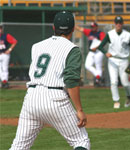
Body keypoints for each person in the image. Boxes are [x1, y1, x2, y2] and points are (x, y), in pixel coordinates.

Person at [9, 11, 90, 150]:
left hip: (31, 97)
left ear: (53, 27)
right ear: (72, 28)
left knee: (19, 146)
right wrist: (79, 109)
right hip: (55, 99)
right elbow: (71, 80)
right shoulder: (72, 49)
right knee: (81, 142)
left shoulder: (37, 46)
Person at [92, 16, 130, 109]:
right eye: (117, 23)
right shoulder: (110, 34)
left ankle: (129, 96)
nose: (118, 24)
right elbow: (100, 46)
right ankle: (116, 101)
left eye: (120, 23)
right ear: (114, 24)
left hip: (124, 60)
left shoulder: (127, 35)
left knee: (125, 83)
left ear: (122, 24)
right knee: (113, 82)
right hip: (112, 60)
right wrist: (105, 53)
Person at [75, 21, 105, 86]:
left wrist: (96, 48)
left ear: (97, 27)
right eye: (92, 27)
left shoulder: (100, 33)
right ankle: (98, 76)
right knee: (87, 65)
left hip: (99, 52)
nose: (92, 28)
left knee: (98, 67)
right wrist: (73, 25)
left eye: (94, 27)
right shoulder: (89, 32)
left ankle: (98, 79)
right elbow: (80, 29)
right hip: (91, 51)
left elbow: (103, 43)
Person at [0, 24, 17, 88]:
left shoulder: (6, 35)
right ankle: (3, 81)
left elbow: (14, 41)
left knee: (5, 68)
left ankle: (5, 81)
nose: (0, 30)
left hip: (5, 54)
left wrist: (9, 49)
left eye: (1, 28)